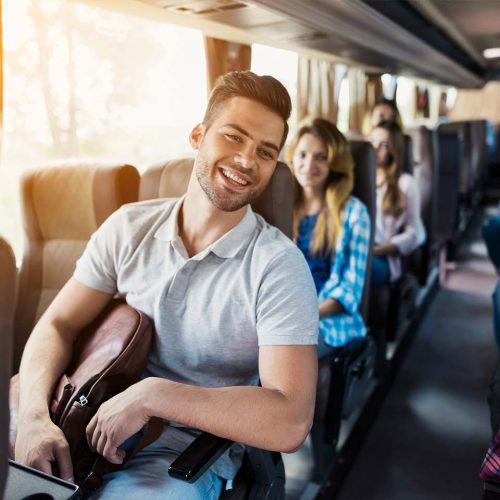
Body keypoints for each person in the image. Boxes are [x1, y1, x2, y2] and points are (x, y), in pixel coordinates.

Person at [14, 71, 319, 498]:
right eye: (234, 137)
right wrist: (32, 418)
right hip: (80, 424)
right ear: (198, 134)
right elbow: (58, 324)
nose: (247, 161)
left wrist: (153, 396)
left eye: (265, 152)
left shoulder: (279, 267)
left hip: (180, 455)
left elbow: (290, 419)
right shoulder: (128, 227)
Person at [286, 117, 370, 357]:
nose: (308, 164)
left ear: (334, 163)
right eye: (302, 154)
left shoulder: (354, 213)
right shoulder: (279, 206)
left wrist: (306, 314)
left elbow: (349, 291)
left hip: (326, 319)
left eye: (321, 157)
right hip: (280, 310)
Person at [369, 120, 425, 286]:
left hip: (383, 257)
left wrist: (378, 250)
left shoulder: (406, 184)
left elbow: (414, 233)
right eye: (372, 142)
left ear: (393, 150)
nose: (375, 149)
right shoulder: (355, 180)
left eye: (384, 145)